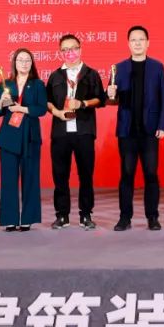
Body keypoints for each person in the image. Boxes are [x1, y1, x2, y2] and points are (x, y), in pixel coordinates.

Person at [107, 25, 164, 231]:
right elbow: (111, 99)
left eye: (141, 39)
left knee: (151, 174)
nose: (138, 43)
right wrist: (110, 93)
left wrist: (162, 124)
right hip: (127, 131)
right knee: (127, 174)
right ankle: (125, 218)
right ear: (128, 43)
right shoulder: (119, 68)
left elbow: (163, 98)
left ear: (148, 43)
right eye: (133, 40)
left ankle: (153, 217)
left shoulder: (157, 67)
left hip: (150, 130)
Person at [45, 33, 107, 229]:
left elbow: (101, 99)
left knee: (86, 175)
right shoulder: (55, 76)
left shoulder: (91, 74)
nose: (69, 52)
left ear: (80, 50)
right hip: (60, 132)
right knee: (60, 175)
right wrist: (57, 112)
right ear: (60, 52)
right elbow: (47, 101)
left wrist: (82, 103)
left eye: (73, 48)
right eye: (65, 50)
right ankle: (62, 215)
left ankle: (86, 214)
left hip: (84, 131)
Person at [0, 48, 48, 231]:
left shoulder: (38, 84)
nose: (24, 63)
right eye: (20, 60)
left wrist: (22, 108)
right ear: (14, 63)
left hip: (30, 136)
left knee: (30, 178)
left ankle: (28, 218)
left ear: (32, 63)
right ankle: (10, 219)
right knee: (8, 179)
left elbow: (41, 109)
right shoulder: (6, 84)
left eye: (27, 60)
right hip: (9, 136)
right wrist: (1, 101)